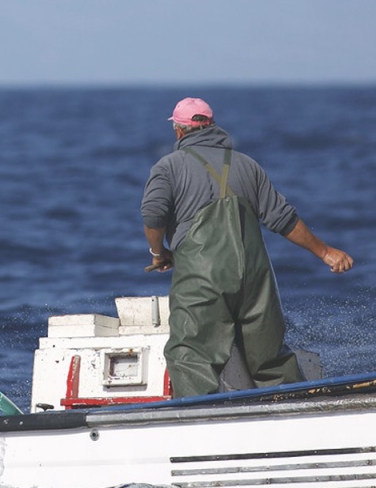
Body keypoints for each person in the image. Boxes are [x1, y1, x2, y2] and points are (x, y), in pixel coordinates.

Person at [141, 97, 353, 398]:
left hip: (203, 280)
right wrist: (326, 252)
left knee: (190, 355)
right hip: (255, 279)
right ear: (212, 126)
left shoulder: (169, 166)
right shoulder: (246, 164)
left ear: (178, 131)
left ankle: (199, 425)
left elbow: (152, 215)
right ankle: (297, 414)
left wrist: (158, 253)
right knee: (271, 359)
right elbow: (282, 218)